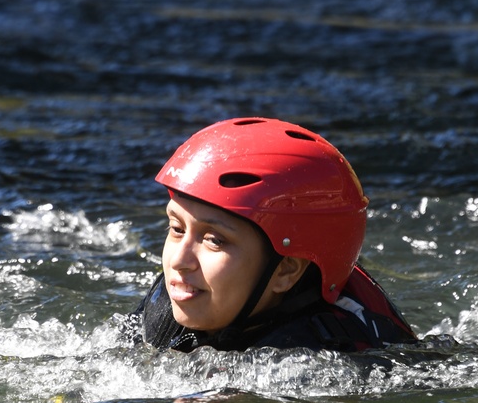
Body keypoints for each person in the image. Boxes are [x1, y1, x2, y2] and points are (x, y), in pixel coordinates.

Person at [130, 117, 417, 353]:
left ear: (286, 270)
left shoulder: (321, 359)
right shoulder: (171, 300)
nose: (179, 260)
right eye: (177, 229)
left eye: (214, 240)